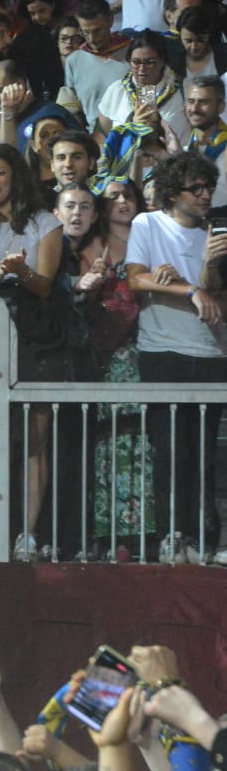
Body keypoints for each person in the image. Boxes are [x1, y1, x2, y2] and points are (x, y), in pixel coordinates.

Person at [0, 143, 67, 560]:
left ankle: (27, 533)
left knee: (35, 440)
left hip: (35, 337)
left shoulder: (45, 223)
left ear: (16, 177)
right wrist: (2, 271)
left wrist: (22, 271)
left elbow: (43, 285)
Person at [123, 152, 227, 565]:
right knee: (168, 450)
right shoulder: (148, 223)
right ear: (172, 192)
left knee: (202, 452)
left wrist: (206, 267)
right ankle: (170, 535)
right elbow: (135, 277)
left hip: (211, 349)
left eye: (209, 188)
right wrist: (188, 290)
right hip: (162, 349)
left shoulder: (216, 230)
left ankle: (204, 537)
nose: (205, 196)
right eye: (195, 189)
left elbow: (214, 287)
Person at [70, 179, 152, 560]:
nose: (122, 201)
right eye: (113, 197)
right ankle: (111, 532)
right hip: (109, 356)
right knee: (111, 444)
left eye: (128, 195)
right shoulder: (93, 247)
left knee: (143, 444)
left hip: (146, 349)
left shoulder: (152, 236)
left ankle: (145, 533)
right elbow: (83, 298)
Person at [183, 76, 227, 212]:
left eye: (203, 103)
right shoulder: (184, 149)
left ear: (220, 107)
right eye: (191, 101)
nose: (194, 108)